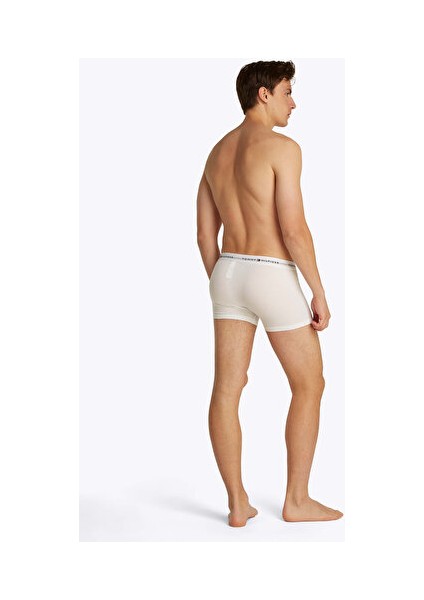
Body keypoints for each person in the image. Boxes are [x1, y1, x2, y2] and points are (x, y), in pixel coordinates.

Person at [196, 60, 343, 527]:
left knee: (226, 389)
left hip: (227, 273)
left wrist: (225, 282)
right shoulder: (283, 149)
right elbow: (293, 229)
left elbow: (204, 235)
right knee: (309, 384)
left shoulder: (216, 153)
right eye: (287, 92)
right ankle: (297, 500)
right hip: (271, 272)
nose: (292, 103)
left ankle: (237, 504)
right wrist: (318, 290)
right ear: (264, 94)